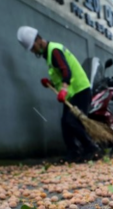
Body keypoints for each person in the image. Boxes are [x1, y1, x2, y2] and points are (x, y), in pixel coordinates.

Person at [16, 26, 100, 162]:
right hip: (72, 93)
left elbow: (66, 71)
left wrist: (63, 89)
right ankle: (74, 152)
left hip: (80, 90)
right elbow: (59, 75)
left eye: (33, 47)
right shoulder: (48, 54)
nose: (33, 51)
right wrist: (51, 83)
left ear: (38, 40)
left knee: (72, 121)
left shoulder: (54, 50)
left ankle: (91, 147)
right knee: (65, 123)